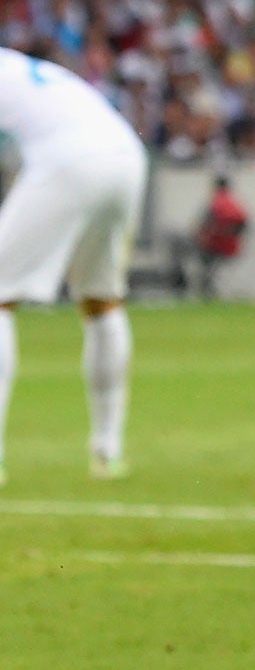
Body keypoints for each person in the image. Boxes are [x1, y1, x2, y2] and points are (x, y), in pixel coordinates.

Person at [0, 47, 149, 483]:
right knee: (102, 302)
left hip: (69, 160)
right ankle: (109, 450)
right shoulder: (28, 69)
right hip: (126, 156)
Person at [193, 174, 248, 300]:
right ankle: (208, 289)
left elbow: (204, 224)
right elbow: (244, 224)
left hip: (215, 245)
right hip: (232, 246)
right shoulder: (235, 204)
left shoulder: (215, 203)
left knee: (199, 260)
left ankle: (205, 292)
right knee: (209, 267)